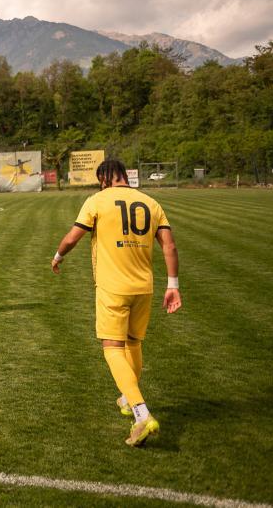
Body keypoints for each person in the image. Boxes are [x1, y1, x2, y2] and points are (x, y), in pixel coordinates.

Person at [50, 159, 181, 447]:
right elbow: (169, 246)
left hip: (113, 288)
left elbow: (73, 237)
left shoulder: (97, 200)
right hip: (143, 288)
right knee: (133, 344)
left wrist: (58, 256)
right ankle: (126, 398)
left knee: (112, 348)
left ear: (103, 179)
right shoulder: (150, 202)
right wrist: (173, 285)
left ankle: (141, 412)